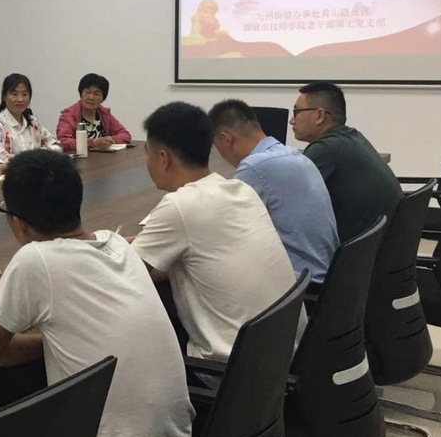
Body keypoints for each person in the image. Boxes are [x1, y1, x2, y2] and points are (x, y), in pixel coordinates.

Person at [0, 150, 193, 437]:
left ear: (17, 222)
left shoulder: (35, 260)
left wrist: (49, 341)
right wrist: (65, 339)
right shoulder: (117, 244)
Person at [132, 102, 300, 361]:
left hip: (231, 370)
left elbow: (126, 273)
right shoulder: (240, 190)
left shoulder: (179, 206)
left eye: (147, 153)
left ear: (163, 158)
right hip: (288, 355)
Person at [209, 99, 339, 284]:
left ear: (226, 139)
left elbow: (223, 232)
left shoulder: (254, 167)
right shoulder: (294, 155)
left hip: (299, 287)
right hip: (325, 277)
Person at [291, 82, 402, 244]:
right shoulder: (351, 137)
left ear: (320, 115)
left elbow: (288, 200)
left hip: (359, 252)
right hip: (384, 245)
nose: (292, 121)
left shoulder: (326, 149)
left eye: (297, 112)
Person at [0, 73, 61, 162]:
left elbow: (57, 146)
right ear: (4, 97)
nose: (20, 99)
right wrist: (36, 156)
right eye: (14, 94)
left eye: (24, 94)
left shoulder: (33, 122)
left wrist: (40, 153)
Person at [56, 73, 132, 153]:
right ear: (81, 94)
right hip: (79, 158)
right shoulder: (68, 115)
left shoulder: (104, 114)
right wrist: (93, 143)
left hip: (103, 158)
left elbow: (125, 134)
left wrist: (112, 140)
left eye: (96, 94)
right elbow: (63, 142)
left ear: (103, 98)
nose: (91, 97)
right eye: (87, 92)